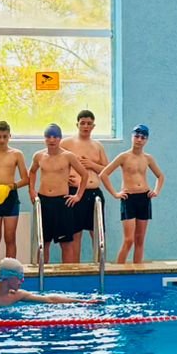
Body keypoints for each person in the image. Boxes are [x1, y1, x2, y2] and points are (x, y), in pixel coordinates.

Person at [101, 124, 166, 263]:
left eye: (143, 137)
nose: (139, 140)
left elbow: (160, 176)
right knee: (129, 240)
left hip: (144, 198)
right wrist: (115, 194)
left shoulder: (148, 158)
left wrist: (156, 191)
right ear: (132, 137)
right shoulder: (123, 157)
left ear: (146, 140)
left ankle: (138, 269)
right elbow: (104, 174)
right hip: (128, 198)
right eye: (137, 136)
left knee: (140, 239)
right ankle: (119, 271)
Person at [29, 123, 92, 263]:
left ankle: (67, 275)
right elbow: (32, 172)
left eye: (55, 137)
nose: (51, 140)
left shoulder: (68, 156)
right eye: (48, 137)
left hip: (62, 202)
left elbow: (84, 174)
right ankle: (42, 273)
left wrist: (78, 195)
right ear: (45, 138)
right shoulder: (39, 156)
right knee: (43, 243)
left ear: (60, 139)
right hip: (44, 201)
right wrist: (31, 190)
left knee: (66, 244)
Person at [63, 109, 110, 262]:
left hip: (94, 193)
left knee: (97, 233)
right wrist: (64, 178)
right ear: (77, 124)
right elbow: (55, 163)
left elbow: (106, 170)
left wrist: (92, 165)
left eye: (89, 123)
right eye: (83, 123)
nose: (85, 126)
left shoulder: (98, 146)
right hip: (75, 192)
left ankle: (99, 266)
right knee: (75, 234)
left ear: (93, 126)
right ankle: (76, 268)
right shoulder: (67, 143)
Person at [0, 121, 29, 262]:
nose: (2, 140)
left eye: (5, 136)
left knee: (10, 238)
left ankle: (10, 270)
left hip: (10, 197)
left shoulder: (17, 154)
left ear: (10, 136)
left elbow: (26, 179)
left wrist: (12, 186)